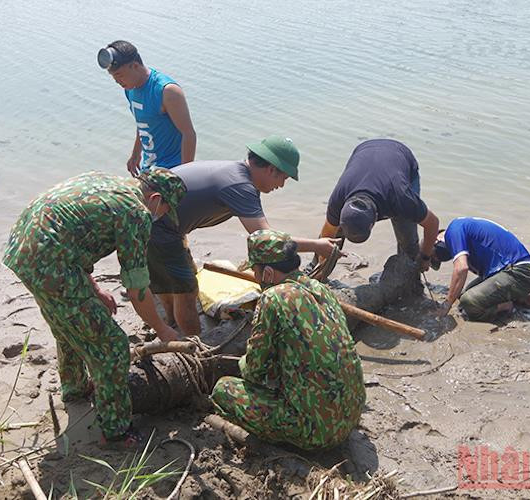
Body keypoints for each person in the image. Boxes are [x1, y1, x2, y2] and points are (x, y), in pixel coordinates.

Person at [3, 169, 186, 446]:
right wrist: (162, 329)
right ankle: (116, 432)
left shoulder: (107, 181)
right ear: (156, 198)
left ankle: (75, 388)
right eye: (165, 209)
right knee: (112, 344)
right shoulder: (136, 212)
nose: (160, 216)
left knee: (69, 323)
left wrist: (95, 289)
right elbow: (137, 287)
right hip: (50, 260)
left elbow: (74, 234)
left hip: (24, 246)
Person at [149, 135, 339, 336]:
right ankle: (193, 346)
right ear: (271, 169)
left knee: (169, 279)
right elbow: (268, 241)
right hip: (160, 227)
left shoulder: (236, 173)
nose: (282, 185)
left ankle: (171, 324)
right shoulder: (239, 185)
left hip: (154, 221)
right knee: (186, 291)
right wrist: (318, 245)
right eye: (283, 178)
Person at [210, 230, 366, 450]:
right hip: (352, 413)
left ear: (268, 274)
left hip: (317, 433)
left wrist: (242, 361)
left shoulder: (272, 298)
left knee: (223, 389)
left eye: (255, 271)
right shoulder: (321, 289)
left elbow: (254, 371)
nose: (255, 277)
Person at [318, 139, 439, 266]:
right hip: (365, 151)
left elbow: (432, 223)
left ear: (375, 220)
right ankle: (315, 268)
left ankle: (409, 275)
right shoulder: (339, 198)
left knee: (406, 232)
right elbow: (327, 235)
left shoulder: (401, 198)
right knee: (334, 236)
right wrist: (322, 265)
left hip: (400, 155)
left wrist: (425, 257)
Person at [98, 40, 196, 175]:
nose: (117, 81)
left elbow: (189, 134)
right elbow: (143, 123)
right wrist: (135, 154)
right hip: (148, 169)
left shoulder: (167, 91)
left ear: (135, 66)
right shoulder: (129, 88)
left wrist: (187, 176)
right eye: (113, 77)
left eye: (119, 75)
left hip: (171, 172)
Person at [428, 217, 530, 322]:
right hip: (520, 272)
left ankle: (506, 306)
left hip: (519, 272)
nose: (437, 258)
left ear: (436, 240)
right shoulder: (463, 233)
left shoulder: (453, 231)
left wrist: (446, 305)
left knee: (469, 302)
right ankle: (522, 299)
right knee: (465, 295)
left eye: (434, 255)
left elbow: (461, 269)